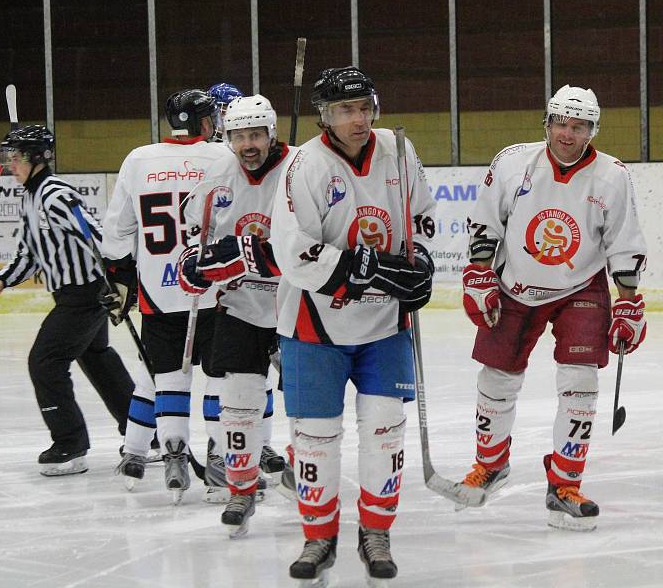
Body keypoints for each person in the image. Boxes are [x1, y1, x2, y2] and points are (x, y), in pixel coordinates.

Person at [270, 67, 436, 585]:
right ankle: (318, 538)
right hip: (314, 327)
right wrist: (371, 273)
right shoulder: (305, 165)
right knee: (316, 438)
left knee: (385, 430)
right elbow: (294, 252)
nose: (359, 118)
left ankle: (376, 532)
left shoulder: (398, 149)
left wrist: (422, 263)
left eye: (364, 106)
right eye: (346, 110)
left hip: (386, 326)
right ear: (325, 116)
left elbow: (424, 218)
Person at [455, 84, 647, 532]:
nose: (567, 133)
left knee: (580, 385)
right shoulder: (512, 162)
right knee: (496, 379)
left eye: (578, 126)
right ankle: (491, 464)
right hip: (515, 285)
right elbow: (486, 220)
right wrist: (480, 274)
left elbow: (623, 242)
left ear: (592, 131)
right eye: (561, 122)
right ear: (547, 123)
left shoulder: (613, 176)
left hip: (581, 286)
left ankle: (565, 485)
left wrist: (629, 304)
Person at [0, 125, 134, 477]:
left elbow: (96, 236)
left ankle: (70, 444)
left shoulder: (56, 195)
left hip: (85, 295)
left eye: (16, 158)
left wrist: (122, 278)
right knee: (97, 358)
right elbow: (29, 251)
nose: (10, 166)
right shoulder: (30, 197)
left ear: (38, 159)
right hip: (74, 295)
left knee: (45, 361)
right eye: (8, 158)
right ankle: (145, 432)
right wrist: (4, 279)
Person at [101, 89, 227, 503]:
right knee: (221, 379)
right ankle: (220, 458)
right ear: (207, 123)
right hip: (213, 290)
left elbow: (116, 233)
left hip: (158, 293)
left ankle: (172, 454)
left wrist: (120, 279)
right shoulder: (222, 157)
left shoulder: (138, 159)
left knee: (166, 377)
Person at [179, 94, 293, 537]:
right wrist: (195, 265)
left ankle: (305, 471)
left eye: (256, 134)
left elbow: (310, 246)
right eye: (239, 135)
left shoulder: (301, 168)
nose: (248, 144)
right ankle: (241, 487)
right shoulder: (218, 174)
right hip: (242, 306)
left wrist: (243, 256)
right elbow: (197, 238)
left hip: (294, 306)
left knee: (306, 402)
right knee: (239, 399)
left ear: (271, 134)